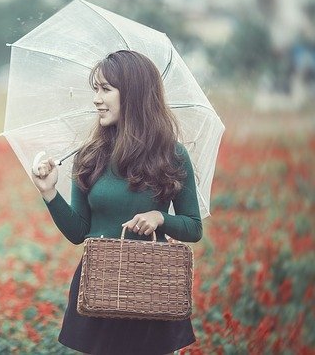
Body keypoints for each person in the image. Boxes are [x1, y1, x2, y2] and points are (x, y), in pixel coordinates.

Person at [31, 50, 202, 355]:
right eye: (95, 89)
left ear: (134, 94)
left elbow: (193, 226)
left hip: (152, 285)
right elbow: (78, 232)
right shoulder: (90, 155)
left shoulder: (172, 155)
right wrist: (49, 193)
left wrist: (160, 218)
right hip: (99, 283)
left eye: (106, 89)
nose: (97, 99)